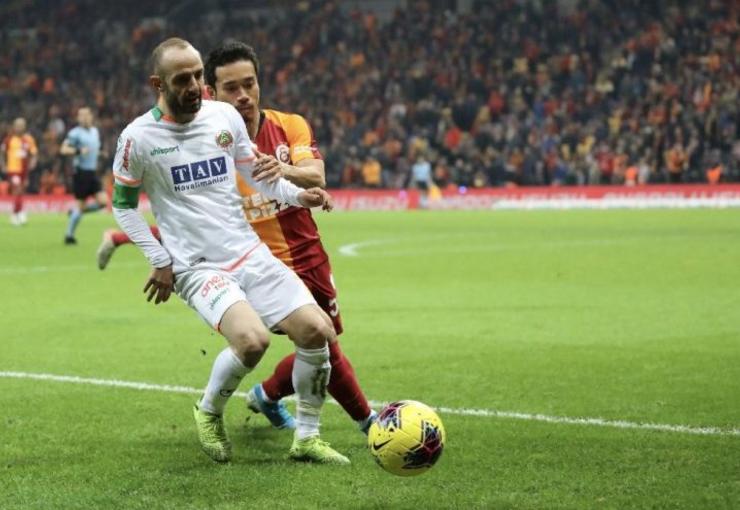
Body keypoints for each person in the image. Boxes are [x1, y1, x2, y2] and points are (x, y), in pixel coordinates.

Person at [98, 40, 377, 435]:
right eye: (231, 87)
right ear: (212, 91)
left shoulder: (273, 125)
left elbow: (304, 176)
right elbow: (168, 215)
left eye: (250, 83)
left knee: (320, 337)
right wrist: (157, 256)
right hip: (225, 265)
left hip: (298, 258)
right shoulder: (151, 138)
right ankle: (368, 423)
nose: (243, 95)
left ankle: (276, 405)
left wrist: (292, 184)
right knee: (269, 342)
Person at [60, 107, 106, 244]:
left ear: (91, 116)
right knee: (81, 205)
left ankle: (75, 212)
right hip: (80, 173)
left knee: (103, 203)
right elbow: (64, 149)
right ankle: (69, 235)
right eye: (81, 115)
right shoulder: (75, 133)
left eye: (86, 115)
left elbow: (92, 150)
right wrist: (78, 151)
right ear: (78, 118)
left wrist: (99, 153)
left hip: (92, 173)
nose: (84, 118)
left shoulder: (95, 131)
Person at [1, 118, 37, 226]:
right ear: (14, 126)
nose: (19, 127)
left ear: (25, 127)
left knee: (20, 191)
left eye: (21, 125)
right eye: (17, 125)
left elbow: (34, 152)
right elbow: (1, 152)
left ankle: (18, 212)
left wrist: (33, 161)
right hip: (13, 169)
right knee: (17, 189)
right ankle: (16, 214)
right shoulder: (9, 140)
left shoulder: (29, 139)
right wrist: (3, 165)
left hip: (24, 171)